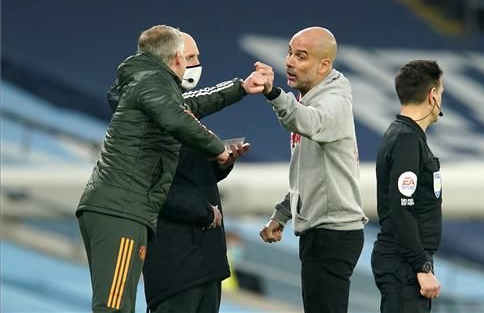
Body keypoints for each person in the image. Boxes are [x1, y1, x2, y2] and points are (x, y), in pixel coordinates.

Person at [76, 25, 265, 312]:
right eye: (190, 57)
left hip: (130, 209)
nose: (194, 64)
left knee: (117, 306)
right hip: (123, 209)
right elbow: (179, 119)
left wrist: (239, 88)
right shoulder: (152, 81)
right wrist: (217, 149)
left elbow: (191, 106)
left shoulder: (151, 85)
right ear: (176, 57)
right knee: (113, 307)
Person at [256, 27, 368, 313]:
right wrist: (282, 214)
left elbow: (309, 122)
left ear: (324, 65)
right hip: (323, 230)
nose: (289, 62)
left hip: (332, 232)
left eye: (301, 56)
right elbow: (306, 172)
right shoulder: (312, 97)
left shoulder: (333, 103)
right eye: (290, 53)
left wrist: (273, 93)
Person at [141, 32, 251, 313]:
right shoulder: (151, 113)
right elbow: (152, 185)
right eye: (190, 58)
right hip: (176, 261)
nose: (197, 64)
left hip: (205, 260)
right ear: (170, 60)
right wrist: (203, 211)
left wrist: (220, 164)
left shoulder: (183, 111)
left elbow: (189, 172)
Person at [371, 60, 444, 313]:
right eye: (441, 94)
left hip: (404, 262)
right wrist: (421, 267)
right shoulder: (406, 140)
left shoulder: (402, 134)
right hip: (404, 265)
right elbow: (402, 209)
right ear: (432, 95)